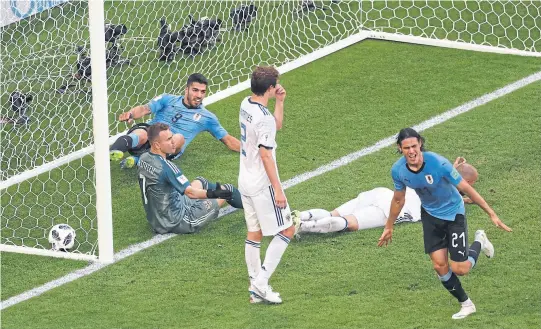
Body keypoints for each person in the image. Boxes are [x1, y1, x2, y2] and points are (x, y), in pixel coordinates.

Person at [377, 128, 512, 319]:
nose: (411, 151)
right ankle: (466, 304)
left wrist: (491, 213)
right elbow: (398, 199)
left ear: (420, 144)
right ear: (400, 148)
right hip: (431, 216)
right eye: (406, 147)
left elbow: (465, 187)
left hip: (453, 214)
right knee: (440, 265)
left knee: (460, 269)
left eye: (414, 146)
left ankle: (480, 241)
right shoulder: (398, 170)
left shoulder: (438, 163)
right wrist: (389, 226)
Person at [294, 158, 478, 236]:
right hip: (394, 210)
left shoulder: (435, 172)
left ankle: (297, 216)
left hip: (381, 193)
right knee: (348, 223)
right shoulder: (452, 198)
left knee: (331, 213)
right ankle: (302, 227)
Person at [238, 66, 297, 304]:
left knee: (255, 232)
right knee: (287, 229)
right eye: (276, 87)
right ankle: (260, 285)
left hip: (245, 180)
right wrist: (278, 190)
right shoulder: (263, 119)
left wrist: (279, 102)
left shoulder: (245, 104)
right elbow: (265, 155)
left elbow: (275, 126)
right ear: (270, 87)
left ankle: (255, 281)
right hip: (263, 185)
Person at [110, 73, 240, 169]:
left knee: (178, 138)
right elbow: (144, 109)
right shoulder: (167, 99)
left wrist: (252, 150)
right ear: (186, 89)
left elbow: (228, 140)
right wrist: (131, 114)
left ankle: (138, 160)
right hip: (150, 136)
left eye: (202, 92)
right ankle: (113, 152)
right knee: (142, 134)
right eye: (195, 90)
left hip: (169, 149)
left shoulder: (207, 117)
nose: (199, 95)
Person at [137, 123, 243, 234]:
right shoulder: (167, 167)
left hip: (156, 217)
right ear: (157, 145)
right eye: (168, 139)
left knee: (200, 182)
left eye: (172, 137)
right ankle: (257, 209)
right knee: (227, 190)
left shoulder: (143, 159)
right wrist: (214, 193)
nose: (173, 142)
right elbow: (191, 193)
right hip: (178, 221)